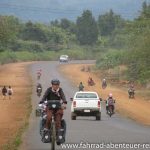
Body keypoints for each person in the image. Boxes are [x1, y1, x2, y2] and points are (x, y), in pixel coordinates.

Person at [39, 79, 67, 144]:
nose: (56, 86)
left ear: (59, 85)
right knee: (48, 117)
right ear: (52, 85)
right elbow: (44, 96)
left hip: (58, 108)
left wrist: (64, 103)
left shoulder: (60, 90)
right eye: (54, 85)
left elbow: (63, 97)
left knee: (58, 120)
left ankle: (59, 136)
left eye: (57, 85)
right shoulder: (49, 90)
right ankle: (46, 130)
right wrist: (42, 101)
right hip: (49, 107)